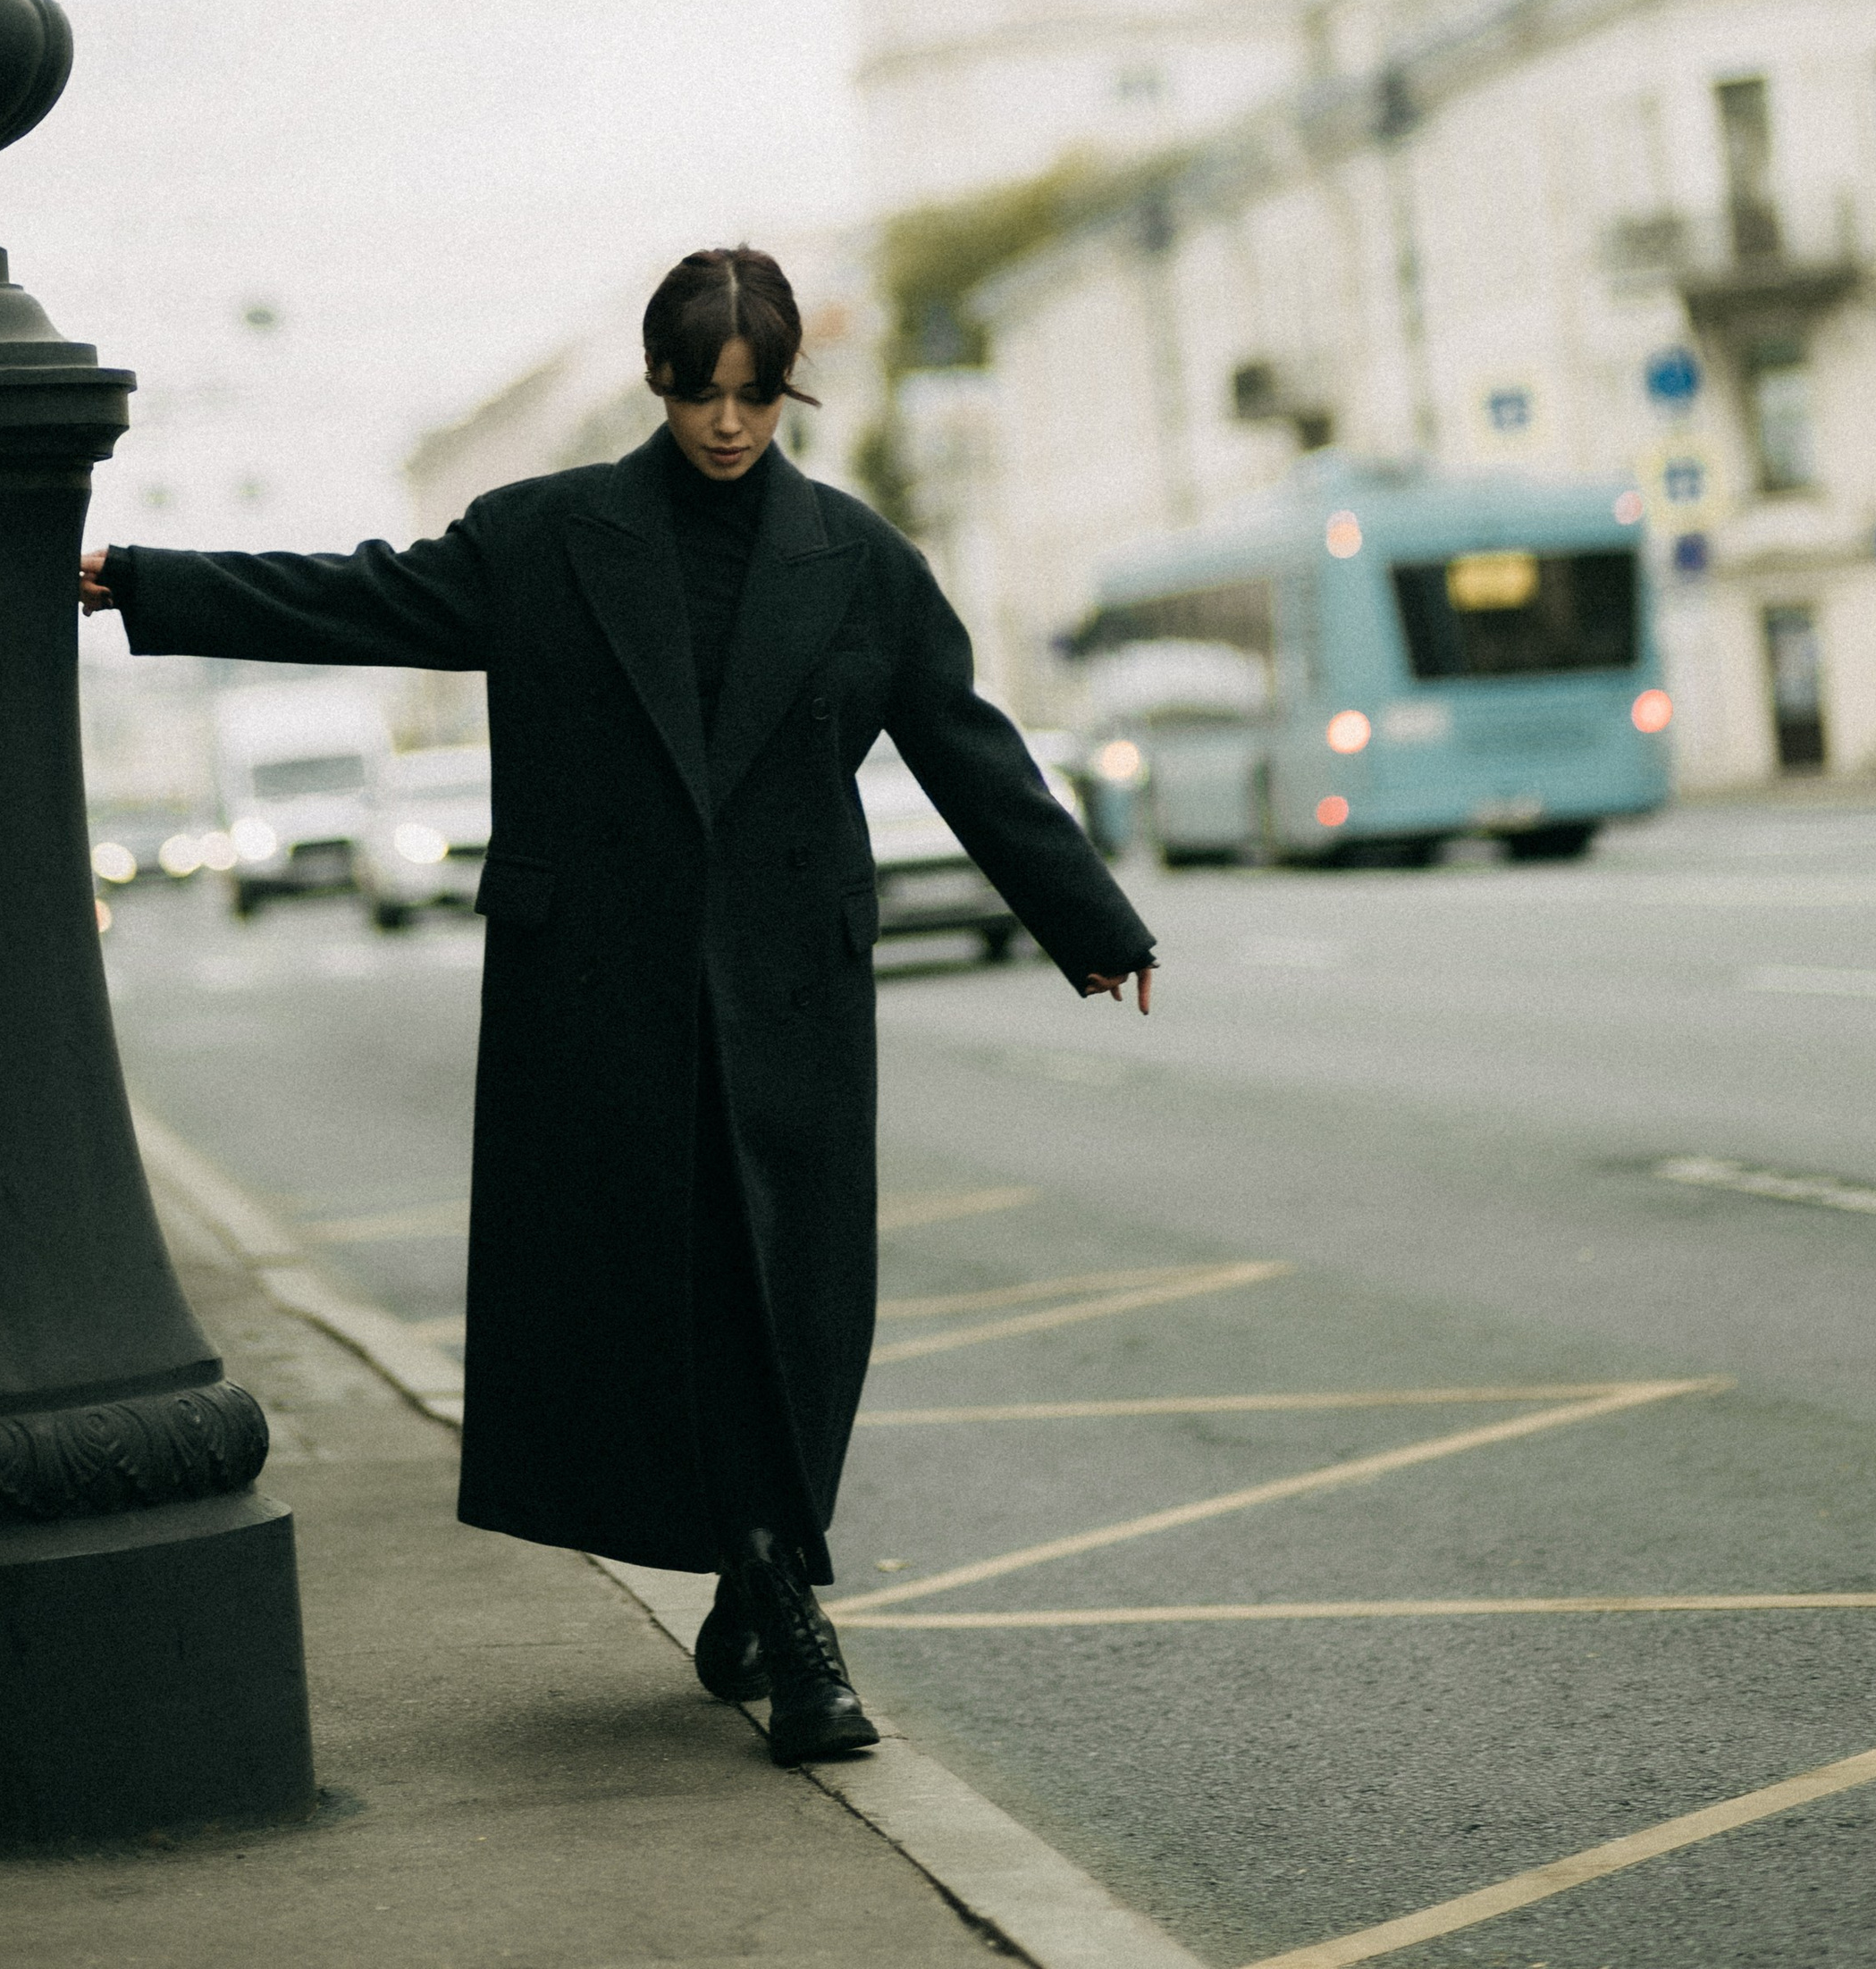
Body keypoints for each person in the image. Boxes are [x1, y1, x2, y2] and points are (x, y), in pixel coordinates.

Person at [81, 244, 1156, 1766]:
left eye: (756, 394)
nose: (729, 423)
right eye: (702, 392)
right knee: (666, 1298)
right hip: (603, 994)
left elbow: (970, 751)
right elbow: (361, 597)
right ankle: (790, 1623)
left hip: (790, 993)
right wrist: (140, 579)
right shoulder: (548, 537)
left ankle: (761, 1572)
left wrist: (1092, 922)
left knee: (791, 1303)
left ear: (788, 389)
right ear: (659, 382)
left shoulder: (862, 562)